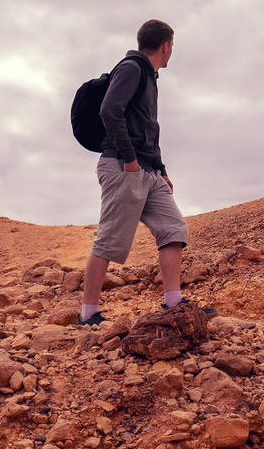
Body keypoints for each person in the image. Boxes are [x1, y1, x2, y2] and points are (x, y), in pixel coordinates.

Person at [80, 19, 189, 326]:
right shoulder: (131, 68)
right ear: (165, 46)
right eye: (172, 47)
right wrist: (129, 159)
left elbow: (147, 129)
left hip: (148, 170)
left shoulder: (150, 77)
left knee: (173, 228)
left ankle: (174, 303)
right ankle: (88, 314)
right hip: (122, 165)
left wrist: (160, 168)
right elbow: (109, 110)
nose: (171, 53)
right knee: (110, 239)